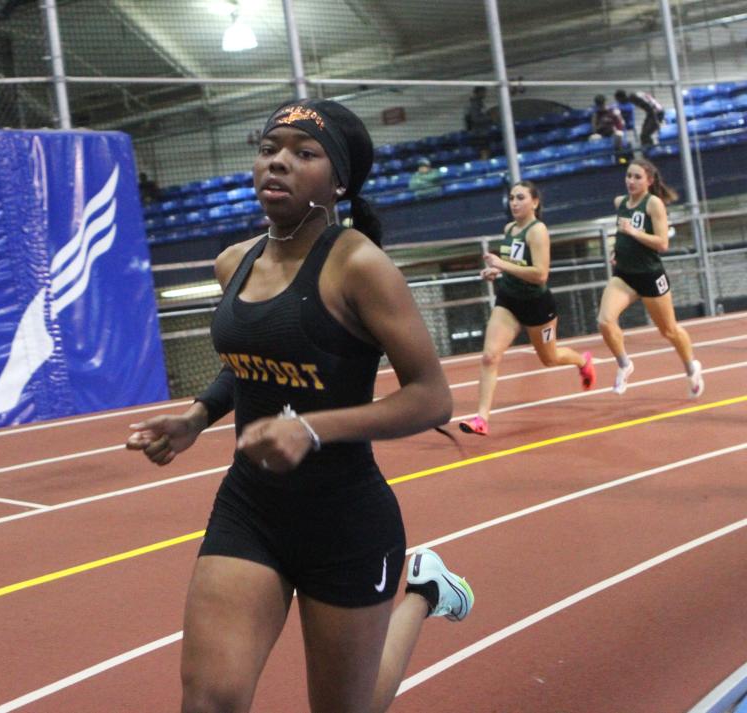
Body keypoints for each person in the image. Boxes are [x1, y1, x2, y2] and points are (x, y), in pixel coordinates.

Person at [127, 98, 473, 713]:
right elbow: (254, 362)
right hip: (250, 509)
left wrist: (311, 429)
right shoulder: (234, 262)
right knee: (209, 701)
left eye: (302, 154)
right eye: (268, 150)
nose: (278, 163)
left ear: (338, 181)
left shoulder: (360, 267)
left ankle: (423, 590)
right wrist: (198, 416)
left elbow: (431, 396)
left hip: (345, 520)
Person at [460, 181, 596, 437]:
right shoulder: (509, 228)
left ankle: (582, 360)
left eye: (520, 197)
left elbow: (540, 274)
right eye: (511, 198)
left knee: (549, 358)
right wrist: (497, 270)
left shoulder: (537, 231)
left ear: (534, 202)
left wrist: (502, 264)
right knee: (489, 356)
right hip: (509, 301)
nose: (514, 202)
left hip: (537, 306)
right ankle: (481, 419)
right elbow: (516, 263)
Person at [597, 158, 704, 397]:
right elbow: (622, 233)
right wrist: (618, 250)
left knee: (668, 330)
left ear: (649, 180)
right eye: (628, 176)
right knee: (605, 321)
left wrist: (634, 231)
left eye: (637, 177)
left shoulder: (653, 204)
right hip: (624, 275)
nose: (631, 181)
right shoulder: (620, 202)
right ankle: (625, 365)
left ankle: (691, 367)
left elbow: (662, 243)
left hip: (650, 276)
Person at [464, 86, 494, 160]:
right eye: (484, 92)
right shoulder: (474, 105)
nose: (485, 94)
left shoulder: (480, 103)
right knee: (483, 151)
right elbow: (476, 119)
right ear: (479, 93)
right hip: (479, 133)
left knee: (486, 150)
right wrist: (489, 118)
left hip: (482, 132)